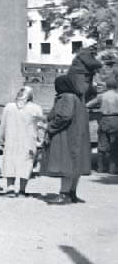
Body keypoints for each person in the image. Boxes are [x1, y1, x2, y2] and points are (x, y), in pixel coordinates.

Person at [42, 75, 91, 204]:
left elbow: (64, 116)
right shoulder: (77, 98)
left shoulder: (66, 97)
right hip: (77, 135)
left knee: (65, 165)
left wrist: (50, 127)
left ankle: (64, 194)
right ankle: (72, 193)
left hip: (66, 135)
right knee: (75, 165)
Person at [0, 85, 45, 196]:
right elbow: (40, 126)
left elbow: (3, 125)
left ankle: (10, 187)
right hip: (28, 141)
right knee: (26, 163)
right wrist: (40, 141)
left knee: (10, 161)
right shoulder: (36, 108)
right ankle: (22, 190)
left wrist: (1, 139)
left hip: (11, 140)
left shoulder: (8, 107)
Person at [86, 77, 118, 174]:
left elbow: (88, 104)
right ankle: (112, 169)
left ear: (107, 86)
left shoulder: (101, 96)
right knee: (114, 145)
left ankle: (100, 168)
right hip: (116, 120)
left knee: (102, 144)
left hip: (103, 119)